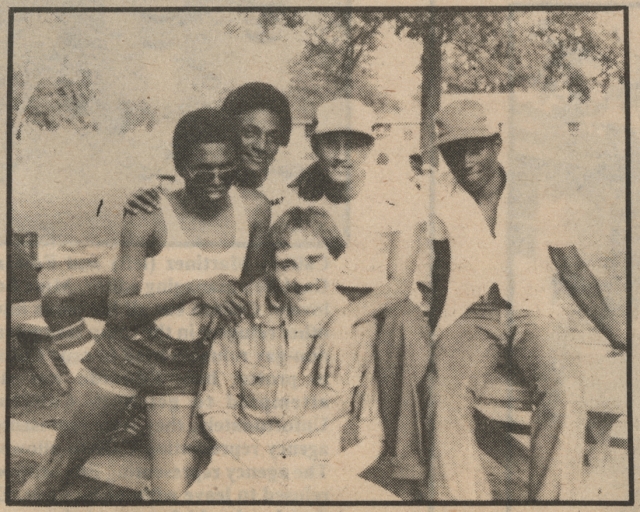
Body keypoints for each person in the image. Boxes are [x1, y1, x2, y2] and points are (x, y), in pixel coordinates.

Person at [17, 108, 271, 500]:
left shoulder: (254, 209)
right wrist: (195, 288)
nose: (217, 179)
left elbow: (250, 284)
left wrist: (226, 310)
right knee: (57, 469)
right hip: (126, 351)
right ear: (181, 166)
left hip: (184, 367)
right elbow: (119, 308)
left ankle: (131, 416)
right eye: (203, 169)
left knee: (172, 493)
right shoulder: (149, 214)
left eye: (227, 167)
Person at [422, 99, 626, 500]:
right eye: (452, 151)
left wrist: (620, 336)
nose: (464, 161)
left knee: (565, 388)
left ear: (496, 144)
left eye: (475, 147)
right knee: (442, 391)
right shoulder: (437, 196)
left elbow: (573, 270)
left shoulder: (538, 190)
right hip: (469, 317)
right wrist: (434, 335)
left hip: (534, 315)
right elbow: (441, 271)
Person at [37, 82, 292, 376]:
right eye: (249, 132)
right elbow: (165, 216)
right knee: (62, 297)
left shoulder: (280, 194)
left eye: (273, 137)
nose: (261, 146)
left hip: (239, 300)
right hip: (174, 284)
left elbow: (256, 275)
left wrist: (226, 298)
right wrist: (146, 200)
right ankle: (89, 385)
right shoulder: (204, 173)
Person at [257, 98, 431, 498]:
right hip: (319, 295)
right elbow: (282, 265)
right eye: (331, 143)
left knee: (403, 325)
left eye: (352, 144)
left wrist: (346, 318)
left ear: (370, 147)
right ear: (314, 144)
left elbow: (399, 284)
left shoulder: (398, 193)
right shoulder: (299, 194)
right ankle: (292, 453)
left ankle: (406, 469)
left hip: (383, 301)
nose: (340, 155)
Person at [180, 207, 398, 501]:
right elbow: (217, 410)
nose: (302, 278)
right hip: (242, 462)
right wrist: (264, 467)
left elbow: (372, 434)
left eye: (314, 259)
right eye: (287, 265)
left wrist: (328, 476)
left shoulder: (361, 331)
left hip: (321, 470)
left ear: (337, 260)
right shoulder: (244, 320)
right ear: (272, 270)